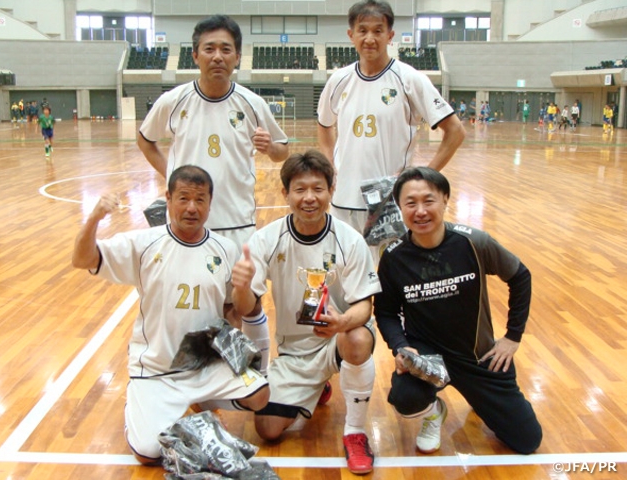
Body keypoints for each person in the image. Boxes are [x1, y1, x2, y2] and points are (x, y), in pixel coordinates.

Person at [71, 165, 270, 465]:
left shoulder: (224, 249)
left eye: (200, 199)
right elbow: (82, 258)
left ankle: (199, 401)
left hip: (204, 365)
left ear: (210, 203)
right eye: (184, 198)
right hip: (156, 370)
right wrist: (95, 218)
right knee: (148, 453)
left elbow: (239, 310)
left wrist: (243, 287)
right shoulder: (144, 244)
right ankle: (141, 406)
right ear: (168, 199)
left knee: (260, 395)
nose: (192, 207)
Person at [231, 150, 382, 475]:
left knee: (356, 338)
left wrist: (341, 322)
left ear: (331, 190)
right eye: (300, 189)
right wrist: (241, 288)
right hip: (295, 353)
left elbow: (364, 306)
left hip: (338, 338)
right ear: (285, 193)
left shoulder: (350, 241)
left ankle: (355, 433)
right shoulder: (266, 240)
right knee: (267, 429)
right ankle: (317, 384)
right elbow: (247, 309)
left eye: (318, 189)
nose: (309, 198)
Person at [373, 166, 542, 456]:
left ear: (445, 200)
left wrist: (512, 336)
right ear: (400, 207)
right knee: (405, 398)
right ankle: (433, 412)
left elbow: (520, 276)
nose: (421, 211)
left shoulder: (474, 242)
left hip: (477, 355)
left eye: (429, 201)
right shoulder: (393, 257)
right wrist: (402, 348)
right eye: (410, 203)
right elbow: (385, 312)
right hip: (428, 357)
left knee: (527, 441)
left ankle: (481, 395)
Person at [318, 0, 465, 261]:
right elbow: (324, 125)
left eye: (378, 31)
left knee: (387, 281)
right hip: (342, 198)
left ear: (390, 36)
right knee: (343, 279)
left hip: (387, 202)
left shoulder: (409, 79)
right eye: (363, 30)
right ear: (351, 35)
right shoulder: (339, 80)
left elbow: (455, 131)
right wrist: (329, 165)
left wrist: (423, 177)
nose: (370, 38)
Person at [138, 14, 289, 249]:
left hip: (238, 223)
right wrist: (172, 176)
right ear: (196, 56)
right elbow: (145, 140)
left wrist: (269, 147)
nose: (217, 56)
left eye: (226, 49)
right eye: (209, 49)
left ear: (237, 57)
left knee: (241, 286)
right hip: (186, 223)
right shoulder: (173, 101)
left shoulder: (252, 103)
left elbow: (283, 151)